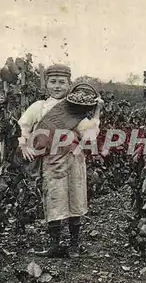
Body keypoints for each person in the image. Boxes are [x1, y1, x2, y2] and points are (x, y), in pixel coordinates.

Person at [17, 64, 103, 258]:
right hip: (52, 161)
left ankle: (74, 243)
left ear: (69, 84)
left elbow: (89, 135)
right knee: (53, 198)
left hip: (73, 158)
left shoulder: (75, 108)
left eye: (62, 82)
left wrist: (97, 112)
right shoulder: (38, 107)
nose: (57, 86)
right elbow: (24, 128)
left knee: (75, 196)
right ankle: (55, 243)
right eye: (53, 82)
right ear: (46, 84)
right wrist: (24, 146)